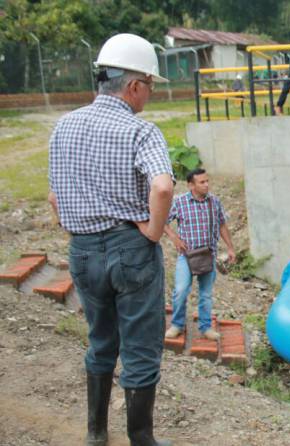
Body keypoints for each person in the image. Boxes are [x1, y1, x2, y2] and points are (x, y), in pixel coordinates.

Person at [48, 33, 174, 446]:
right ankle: (141, 439)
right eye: (151, 85)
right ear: (133, 85)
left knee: (100, 340)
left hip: (82, 249)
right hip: (130, 250)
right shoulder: (142, 132)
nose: (151, 94)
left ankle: (96, 434)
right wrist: (153, 231)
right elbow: (161, 187)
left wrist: (77, 227)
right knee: (139, 349)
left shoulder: (63, 127)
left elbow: (54, 195)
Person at [164, 168, 236, 341]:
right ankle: (177, 325)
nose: (206, 184)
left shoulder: (214, 202)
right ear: (191, 185)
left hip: (208, 255)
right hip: (186, 256)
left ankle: (205, 327)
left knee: (206, 294)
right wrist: (174, 238)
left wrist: (230, 248)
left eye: (207, 181)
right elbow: (163, 222)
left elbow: (222, 225)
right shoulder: (180, 202)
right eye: (202, 182)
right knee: (180, 290)